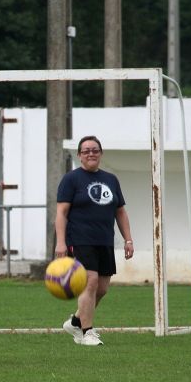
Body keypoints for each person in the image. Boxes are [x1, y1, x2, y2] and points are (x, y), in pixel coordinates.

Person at [55, 135, 134, 346]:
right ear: (79, 155)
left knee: (101, 289)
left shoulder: (111, 180)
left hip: (105, 240)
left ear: (101, 153)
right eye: (86, 150)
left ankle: (74, 321)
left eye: (95, 150)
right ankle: (87, 332)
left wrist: (128, 240)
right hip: (80, 239)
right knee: (89, 283)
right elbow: (61, 213)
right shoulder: (71, 179)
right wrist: (60, 242)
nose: (91, 153)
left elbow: (120, 212)